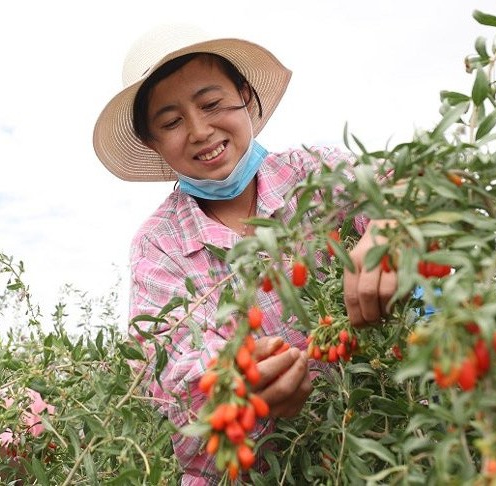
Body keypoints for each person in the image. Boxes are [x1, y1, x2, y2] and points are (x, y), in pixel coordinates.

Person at [92, 24, 397, 484]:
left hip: (374, 447)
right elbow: (170, 366)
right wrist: (234, 378)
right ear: (153, 144)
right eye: (171, 122)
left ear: (247, 98)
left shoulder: (313, 172)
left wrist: (392, 226)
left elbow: (400, 186)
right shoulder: (158, 244)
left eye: (212, 104)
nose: (199, 131)